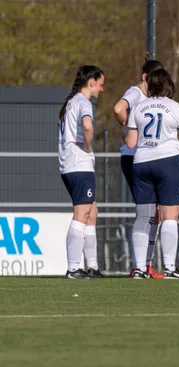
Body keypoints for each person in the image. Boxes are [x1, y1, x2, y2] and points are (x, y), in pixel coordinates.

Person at [126, 68, 179, 279]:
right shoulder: (177, 108)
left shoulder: (138, 107)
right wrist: (176, 164)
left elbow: (131, 143)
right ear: (169, 85)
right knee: (170, 216)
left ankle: (139, 268)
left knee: (143, 217)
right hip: (168, 162)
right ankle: (170, 267)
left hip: (141, 163)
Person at [114, 54, 164, 278]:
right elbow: (118, 108)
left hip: (145, 157)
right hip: (133, 157)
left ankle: (145, 263)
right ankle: (138, 264)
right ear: (145, 77)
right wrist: (127, 129)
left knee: (155, 212)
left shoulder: (152, 98)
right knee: (146, 211)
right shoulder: (135, 93)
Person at [58, 65, 105, 279]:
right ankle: (73, 267)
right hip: (79, 165)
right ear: (91, 82)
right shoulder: (83, 102)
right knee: (81, 214)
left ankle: (92, 266)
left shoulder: (70, 102)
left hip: (69, 165)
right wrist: (88, 146)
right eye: (100, 84)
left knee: (91, 212)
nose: (102, 89)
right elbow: (87, 125)